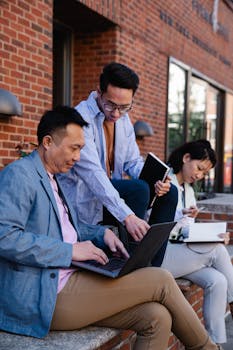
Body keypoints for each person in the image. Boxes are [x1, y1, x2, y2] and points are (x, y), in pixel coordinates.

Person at [0, 106, 219, 350]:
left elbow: (65, 228)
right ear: (48, 142)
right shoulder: (20, 175)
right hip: (44, 295)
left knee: (157, 317)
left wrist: (100, 233)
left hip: (68, 278)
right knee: (161, 280)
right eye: (74, 148)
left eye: (81, 149)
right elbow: (5, 238)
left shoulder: (53, 178)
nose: (78, 157)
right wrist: (70, 251)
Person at [58, 62, 177, 265]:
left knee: (169, 192)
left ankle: (152, 266)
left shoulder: (122, 119)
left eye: (124, 107)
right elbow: (93, 175)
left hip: (110, 195)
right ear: (99, 93)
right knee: (138, 189)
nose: (116, 113)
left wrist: (158, 180)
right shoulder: (80, 118)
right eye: (111, 105)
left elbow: (132, 162)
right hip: (87, 199)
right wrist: (127, 216)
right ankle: (130, 262)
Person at [161, 139, 233, 346]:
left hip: (180, 255)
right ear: (186, 158)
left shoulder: (189, 191)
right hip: (160, 254)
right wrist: (180, 214)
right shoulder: (164, 182)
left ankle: (214, 344)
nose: (199, 175)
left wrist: (212, 235)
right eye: (199, 168)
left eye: (204, 173)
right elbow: (153, 221)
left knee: (218, 281)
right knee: (218, 251)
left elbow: (186, 232)